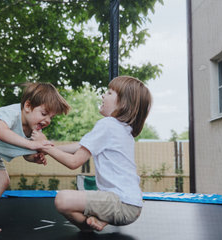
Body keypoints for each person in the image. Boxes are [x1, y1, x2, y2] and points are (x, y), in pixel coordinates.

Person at [0, 83, 70, 240]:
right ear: (28, 106)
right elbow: (0, 132)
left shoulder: (34, 130)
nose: (47, 120)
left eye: (51, 117)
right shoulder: (12, 113)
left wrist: (34, 158)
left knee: (3, 181)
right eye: (44, 113)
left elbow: (26, 155)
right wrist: (32, 145)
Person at [36, 76, 151, 232]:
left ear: (123, 103)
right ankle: (99, 219)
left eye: (109, 93)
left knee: (62, 199)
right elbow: (80, 147)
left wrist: (46, 148)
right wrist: (48, 147)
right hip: (132, 205)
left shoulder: (108, 125)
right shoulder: (123, 129)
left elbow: (74, 162)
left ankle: (90, 225)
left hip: (121, 203)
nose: (103, 95)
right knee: (77, 199)